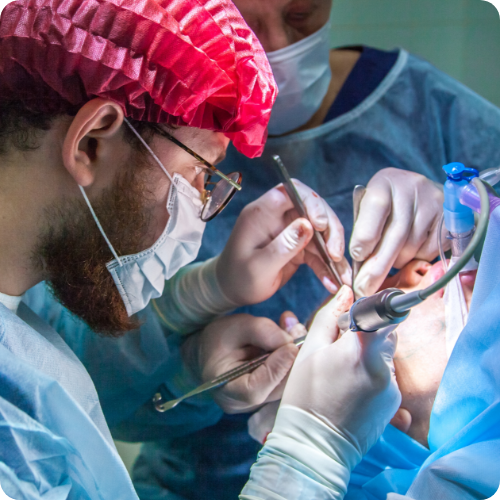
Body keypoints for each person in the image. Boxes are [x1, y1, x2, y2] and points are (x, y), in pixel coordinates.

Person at [0, 1, 400, 498]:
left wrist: (200, 298)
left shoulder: (20, 332)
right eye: (198, 177)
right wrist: (310, 453)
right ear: (92, 143)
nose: (202, 210)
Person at [122, 0, 500, 497]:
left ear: (398, 424)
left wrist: (478, 205)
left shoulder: (430, 109)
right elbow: (104, 401)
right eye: (246, 24)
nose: (418, 271)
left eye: (299, 13)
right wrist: (188, 365)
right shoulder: (145, 136)